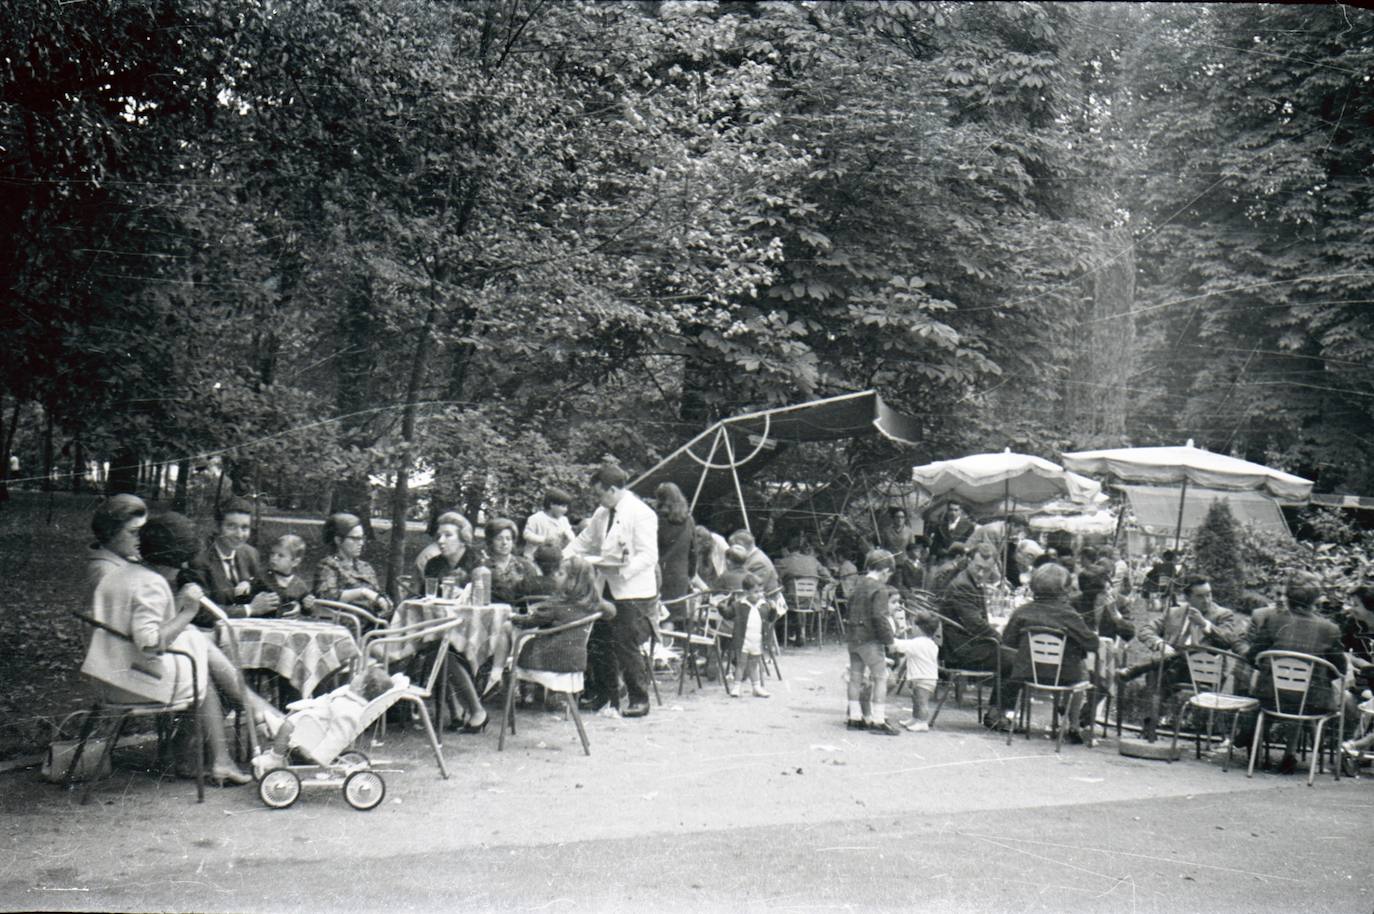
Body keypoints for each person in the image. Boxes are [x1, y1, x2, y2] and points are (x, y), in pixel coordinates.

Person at [82, 510, 280, 786]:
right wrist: (188, 611)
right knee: (199, 657)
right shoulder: (150, 584)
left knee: (197, 645)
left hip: (109, 673)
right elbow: (150, 644)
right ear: (182, 557)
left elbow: (144, 626)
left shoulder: (125, 572)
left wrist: (181, 613)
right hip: (130, 683)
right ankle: (260, 716)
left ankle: (251, 720)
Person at [564, 463, 659, 718]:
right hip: (605, 586)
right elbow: (585, 540)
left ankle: (639, 698)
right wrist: (564, 556)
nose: (598, 498)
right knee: (599, 641)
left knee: (625, 644)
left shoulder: (642, 514)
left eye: (600, 493)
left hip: (632, 589)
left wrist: (623, 570)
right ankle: (606, 697)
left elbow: (649, 555)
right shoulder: (602, 513)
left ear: (614, 489)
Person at [1246, 571, 1348, 775]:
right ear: (1316, 599)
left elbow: (1253, 656)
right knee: (1301, 698)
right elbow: (1340, 669)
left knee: (1281, 695)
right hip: (1311, 701)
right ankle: (1288, 755)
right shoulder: (1329, 629)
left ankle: (1253, 747)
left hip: (1271, 696)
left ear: (1287, 595)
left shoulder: (1273, 620)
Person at [999, 562, 1101, 745]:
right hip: (1064, 676)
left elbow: (1008, 641)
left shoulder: (1022, 612)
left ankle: (1014, 716)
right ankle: (1074, 725)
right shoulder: (1069, 614)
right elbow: (1092, 643)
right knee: (1081, 668)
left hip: (1027, 673)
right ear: (1064, 589)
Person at [253, 665, 395, 775]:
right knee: (281, 721)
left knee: (287, 726)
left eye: (359, 675)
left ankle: (275, 758)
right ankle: (277, 739)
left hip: (315, 730)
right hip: (315, 720)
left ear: (361, 686)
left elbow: (339, 734)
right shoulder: (348, 696)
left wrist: (323, 756)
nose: (354, 676)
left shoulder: (349, 708)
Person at [938, 542, 1017, 727]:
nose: (981, 573)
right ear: (968, 560)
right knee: (1015, 661)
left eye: (987, 570)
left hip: (966, 643)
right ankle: (997, 714)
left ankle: (997, 712)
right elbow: (975, 624)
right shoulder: (963, 585)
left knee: (1012, 657)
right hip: (961, 650)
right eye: (978, 568)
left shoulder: (969, 581)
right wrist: (1001, 638)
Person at [1118, 576, 1246, 689]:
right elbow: (1146, 630)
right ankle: (1156, 712)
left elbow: (1228, 640)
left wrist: (1204, 624)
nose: (1207, 600)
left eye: (1209, 594)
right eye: (1200, 596)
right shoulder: (1175, 611)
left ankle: (1135, 669)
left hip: (1205, 669)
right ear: (1188, 597)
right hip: (1173, 666)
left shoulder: (1223, 615)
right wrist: (1160, 644)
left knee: (1174, 660)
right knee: (1164, 668)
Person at [511, 556, 614, 694]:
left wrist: (512, 617)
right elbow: (611, 611)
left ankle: (498, 673)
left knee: (515, 635)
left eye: (560, 573)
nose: (555, 575)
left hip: (551, 660)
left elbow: (527, 623)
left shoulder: (557, 605)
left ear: (572, 581)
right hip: (575, 661)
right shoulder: (592, 604)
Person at [185, 497, 277, 622]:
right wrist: (249, 609)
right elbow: (200, 612)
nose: (239, 535)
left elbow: (267, 593)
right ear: (217, 527)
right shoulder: (198, 559)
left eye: (245, 528)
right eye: (232, 527)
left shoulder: (250, 554)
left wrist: (292, 605)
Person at [844, 549, 900, 735]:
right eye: (888, 575)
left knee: (855, 678)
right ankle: (878, 719)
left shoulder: (858, 585)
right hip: (870, 639)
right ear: (885, 571)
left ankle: (854, 716)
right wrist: (889, 640)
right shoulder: (880, 589)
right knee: (880, 678)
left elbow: (849, 608)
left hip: (853, 636)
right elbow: (880, 617)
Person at [313, 513, 392, 619]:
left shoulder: (365, 567)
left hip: (374, 624)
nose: (361, 543)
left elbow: (378, 595)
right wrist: (362, 592)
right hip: (344, 626)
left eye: (362, 538)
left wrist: (385, 601)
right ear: (338, 540)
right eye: (355, 539)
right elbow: (326, 598)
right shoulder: (328, 565)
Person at [722, 573, 776, 698]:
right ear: (746, 592)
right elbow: (727, 614)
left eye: (760, 591)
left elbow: (770, 619)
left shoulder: (764, 605)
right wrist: (720, 606)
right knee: (741, 664)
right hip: (743, 640)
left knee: (754, 664)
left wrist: (773, 609)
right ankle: (736, 687)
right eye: (755, 592)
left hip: (757, 640)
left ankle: (756, 687)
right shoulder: (739, 605)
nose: (759, 594)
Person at [653, 482, 696, 623]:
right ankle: (667, 644)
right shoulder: (689, 520)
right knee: (670, 618)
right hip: (679, 576)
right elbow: (693, 551)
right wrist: (690, 574)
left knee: (657, 614)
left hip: (659, 574)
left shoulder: (657, 520)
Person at [892, 610, 940, 732]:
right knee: (916, 700)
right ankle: (915, 718)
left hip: (923, 678)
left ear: (919, 628)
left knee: (921, 701)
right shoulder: (930, 644)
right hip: (924, 677)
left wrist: (892, 638)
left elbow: (899, 645)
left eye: (913, 626)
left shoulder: (918, 643)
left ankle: (923, 722)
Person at [248, 534, 316, 617]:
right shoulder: (262, 578)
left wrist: (308, 606)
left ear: (295, 562)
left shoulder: (299, 585)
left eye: (280, 555)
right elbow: (248, 599)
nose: (274, 558)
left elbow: (307, 611)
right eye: (272, 554)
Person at [482, 517, 540, 605]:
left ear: (513, 542)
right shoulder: (483, 567)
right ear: (490, 541)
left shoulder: (525, 566)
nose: (504, 543)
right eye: (499, 539)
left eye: (508, 539)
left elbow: (534, 596)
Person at [419, 511, 481, 593]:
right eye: (439, 536)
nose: (441, 540)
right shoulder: (433, 564)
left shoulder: (477, 564)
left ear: (463, 539)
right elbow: (424, 596)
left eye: (448, 535)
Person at [966, 514, 1029, 587]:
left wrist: (1003, 577)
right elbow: (990, 557)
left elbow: (997, 557)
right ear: (1012, 525)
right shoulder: (994, 531)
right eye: (1018, 531)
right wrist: (999, 579)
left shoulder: (1003, 531)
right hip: (971, 560)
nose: (1017, 534)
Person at [522, 488, 575, 559]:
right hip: (534, 556)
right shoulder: (536, 518)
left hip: (554, 557)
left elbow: (569, 532)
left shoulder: (563, 520)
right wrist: (543, 540)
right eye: (563, 506)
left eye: (566, 507)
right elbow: (527, 534)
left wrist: (569, 536)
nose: (566, 509)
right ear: (552, 505)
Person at [691, 524, 729, 591]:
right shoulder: (691, 547)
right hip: (703, 584)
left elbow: (731, 557)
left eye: (699, 546)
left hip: (720, 581)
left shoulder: (718, 541)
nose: (697, 549)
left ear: (706, 543)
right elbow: (692, 573)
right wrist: (705, 588)